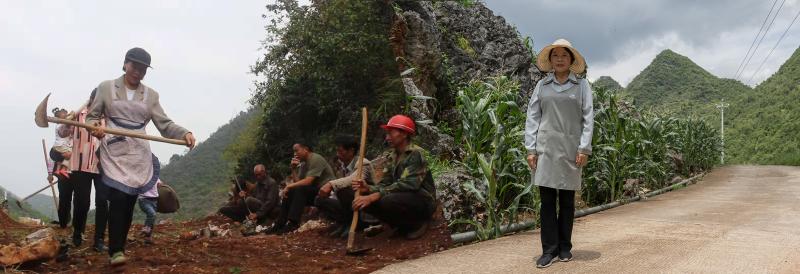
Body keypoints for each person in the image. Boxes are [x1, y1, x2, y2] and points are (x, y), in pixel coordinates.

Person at [86, 47, 196, 266]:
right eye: (135, 66)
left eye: (143, 69)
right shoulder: (106, 88)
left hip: (138, 154)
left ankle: (120, 246)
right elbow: (91, 117)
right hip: (114, 151)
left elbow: (164, 124)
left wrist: (184, 133)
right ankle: (116, 251)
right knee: (117, 198)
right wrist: (95, 128)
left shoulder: (151, 95)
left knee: (128, 202)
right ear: (125, 64)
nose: (138, 72)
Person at [525, 39, 594, 268]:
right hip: (545, 149)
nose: (560, 59)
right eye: (556, 55)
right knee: (546, 200)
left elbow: (588, 118)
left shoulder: (581, 86)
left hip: (571, 149)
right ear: (551, 60)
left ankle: (565, 247)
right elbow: (533, 117)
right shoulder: (542, 86)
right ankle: (549, 250)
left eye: (565, 55)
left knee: (566, 200)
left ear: (572, 60)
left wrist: (584, 148)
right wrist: (530, 149)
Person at [350, 115, 437, 240]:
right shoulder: (392, 156)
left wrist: (374, 195)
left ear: (404, 134)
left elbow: (409, 184)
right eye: (387, 134)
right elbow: (385, 183)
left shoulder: (416, 154)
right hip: (401, 196)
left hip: (422, 200)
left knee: (387, 200)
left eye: (391, 133)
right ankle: (399, 226)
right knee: (366, 202)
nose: (387, 137)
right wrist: (368, 188)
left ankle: (417, 224)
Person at [267, 142, 335, 234]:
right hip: (314, 192)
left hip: (328, 192)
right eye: (293, 151)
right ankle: (280, 223)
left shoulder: (316, 158)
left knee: (298, 189)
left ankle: (293, 223)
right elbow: (298, 183)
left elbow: (308, 181)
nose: (295, 154)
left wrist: (289, 185)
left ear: (306, 149)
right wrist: (293, 169)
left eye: (296, 150)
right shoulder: (303, 164)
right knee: (292, 191)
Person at [315, 135, 375, 238]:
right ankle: (344, 223)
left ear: (351, 151)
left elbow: (354, 178)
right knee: (320, 200)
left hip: (366, 205)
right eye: (337, 151)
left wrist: (331, 184)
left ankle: (357, 223)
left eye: (340, 151)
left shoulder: (363, 163)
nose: (338, 154)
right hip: (351, 204)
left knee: (343, 191)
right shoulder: (342, 166)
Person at [137, 179, 162, 245]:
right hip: (144, 199)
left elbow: (160, 184)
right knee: (152, 214)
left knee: (152, 219)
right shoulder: (142, 175)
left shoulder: (155, 176)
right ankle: (146, 229)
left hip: (154, 200)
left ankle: (147, 238)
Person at [50, 108, 72, 179]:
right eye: (64, 114)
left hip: (59, 145)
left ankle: (58, 170)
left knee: (60, 160)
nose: (66, 115)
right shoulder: (61, 124)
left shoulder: (59, 124)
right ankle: (63, 169)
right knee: (69, 154)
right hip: (61, 145)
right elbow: (65, 130)